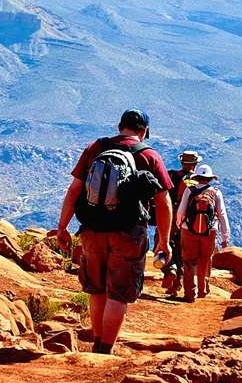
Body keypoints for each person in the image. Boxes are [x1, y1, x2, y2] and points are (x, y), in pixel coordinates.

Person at [56, 109, 174, 354]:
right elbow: (163, 202)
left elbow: (74, 190)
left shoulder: (96, 148)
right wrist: (164, 240)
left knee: (96, 289)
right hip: (128, 233)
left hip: (92, 230)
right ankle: (105, 350)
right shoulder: (149, 156)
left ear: (120, 126)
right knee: (118, 294)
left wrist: (62, 227)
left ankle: (97, 343)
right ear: (144, 131)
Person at [176, 164, 230, 303]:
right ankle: (202, 290)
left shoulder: (189, 190)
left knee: (188, 262)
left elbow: (181, 211)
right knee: (205, 260)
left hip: (188, 230)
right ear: (210, 178)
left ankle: (189, 294)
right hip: (210, 231)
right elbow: (222, 215)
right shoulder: (215, 193)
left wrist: (180, 224)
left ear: (197, 177)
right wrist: (225, 236)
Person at [161, 151, 201, 297]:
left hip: (170, 217)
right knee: (181, 252)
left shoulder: (171, 175)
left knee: (161, 245)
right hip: (189, 222)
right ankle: (176, 286)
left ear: (182, 163)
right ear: (195, 164)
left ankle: (169, 269)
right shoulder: (196, 181)